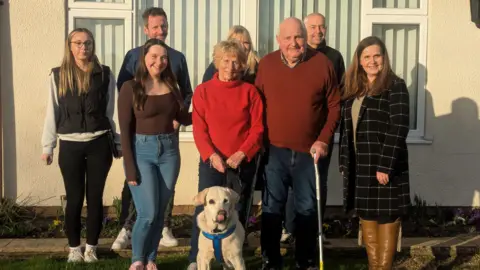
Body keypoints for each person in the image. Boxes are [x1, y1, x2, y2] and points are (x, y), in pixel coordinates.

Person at [256, 17, 340, 270]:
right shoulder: (267, 64)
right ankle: (270, 260)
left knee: (306, 209)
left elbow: (334, 106)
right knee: (272, 208)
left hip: (308, 153)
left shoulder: (322, 63)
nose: (294, 43)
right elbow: (256, 105)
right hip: (274, 152)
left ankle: (306, 261)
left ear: (305, 38)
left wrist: (324, 139)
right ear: (279, 41)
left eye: (299, 37)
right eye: (288, 38)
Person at [112, 6, 193, 250]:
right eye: (155, 26)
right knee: (138, 186)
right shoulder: (132, 56)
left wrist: (182, 115)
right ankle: (128, 228)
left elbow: (185, 93)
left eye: (164, 26)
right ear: (146, 29)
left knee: (162, 193)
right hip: (141, 138)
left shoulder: (177, 57)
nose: (160, 31)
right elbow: (125, 93)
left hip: (168, 136)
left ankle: (163, 229)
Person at [41, 28, 120, 263]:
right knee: (74, 198)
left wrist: (117, 142)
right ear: (70, 46)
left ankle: (92, 248)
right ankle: (74, 248)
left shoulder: (104, 74)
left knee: (95, 198)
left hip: (99, 143)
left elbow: (112, 110)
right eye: (78, 43)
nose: (83, 47)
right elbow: (51, 112)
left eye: (88, 43)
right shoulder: (57, 75)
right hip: (70, 145)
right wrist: (48, 146)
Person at [187, 40, 264, 270]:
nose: (230, 66)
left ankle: (233, 258)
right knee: (205, 210)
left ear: (242, 65)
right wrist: (211, 155)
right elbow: (199, 128)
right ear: (216, 62)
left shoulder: (250, 92)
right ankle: (196, 258)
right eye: (225, 60)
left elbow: (258, 128)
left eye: (236, 61)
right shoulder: (203, 92)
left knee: (237, 211)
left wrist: (242, 152)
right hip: (212, 162)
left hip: (241, 163)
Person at [339, 36, 410, 270]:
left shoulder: (395, 86)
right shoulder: (353, 89)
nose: (372, 61)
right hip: (360, 165)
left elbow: (399, 127)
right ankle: (374, 266)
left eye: (376, 56)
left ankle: (383, 268)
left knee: (388, 216)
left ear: (384, 57)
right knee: (367, 215)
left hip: (384, 165)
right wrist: (343, 162)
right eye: (366, 56)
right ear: (359, 60)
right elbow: (347, 129)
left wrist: (385, 166)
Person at [281, 12, 346, 244]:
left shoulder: (334, 58)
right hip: (294, 136)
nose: (318, 31)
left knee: (319, 183)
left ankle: (317, 230)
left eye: (322, 27)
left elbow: (337, 98)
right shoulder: (293, 55)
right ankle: (289, 229)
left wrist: (328, 133)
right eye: (313, 27)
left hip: (321, 136)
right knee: (291, 184)